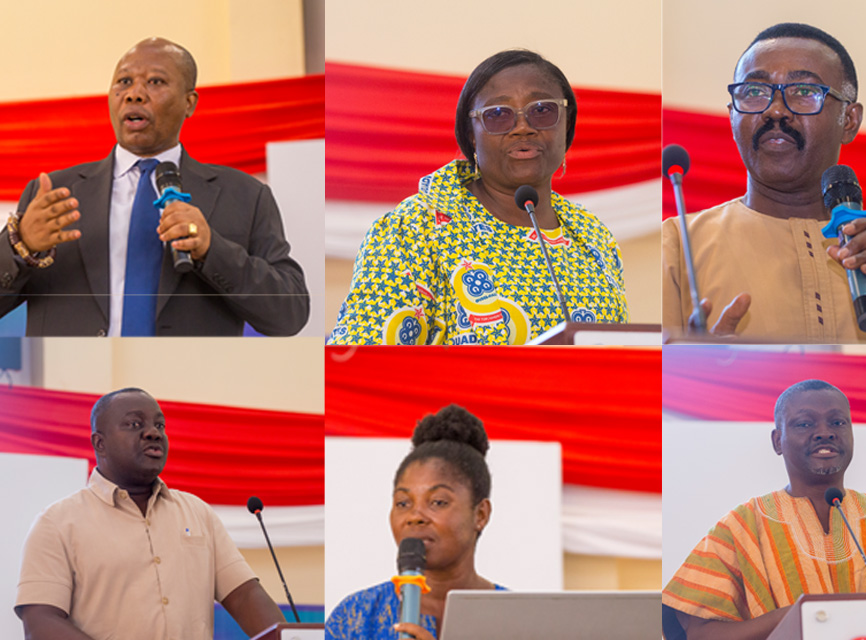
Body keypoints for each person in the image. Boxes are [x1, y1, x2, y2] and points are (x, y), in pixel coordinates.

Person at [0, 37, 308, 336]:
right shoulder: (53, 194)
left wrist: (212, 249)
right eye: (123, 82)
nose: (134, 94)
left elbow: (289, 315)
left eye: (156, 82)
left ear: (189, 103)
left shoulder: (245, 196)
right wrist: (21, 245)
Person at [328, 49, 628, 345]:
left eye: (541, 110)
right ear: (471, 134)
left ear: (566, 124)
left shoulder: (593, 235)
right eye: (498, 115)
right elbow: (362, 358)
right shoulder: (415, 227)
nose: (523, 127)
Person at [662, 23, 866, 343]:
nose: (775, 110)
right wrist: (695, 373)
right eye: (754, 92)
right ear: (731, 117)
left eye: (804, 92)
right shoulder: (676, 246)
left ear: (849, 121)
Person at [662, 380, 866, 640]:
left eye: (838, 423)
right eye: (805, 424)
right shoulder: (741, 526)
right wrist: (796, 617)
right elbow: (700, 634)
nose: (825, 433)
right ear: (778, 441)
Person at [15, 387, 286, 639]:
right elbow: (40, 621)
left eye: (159, 425)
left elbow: (244, 595)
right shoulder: (57, 523)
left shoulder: (197, 512)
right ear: (100, 443)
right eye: (135, 424)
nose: (153, 433)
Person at [325, 405, 504, 639]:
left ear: (480, 515)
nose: (415, 516)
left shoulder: (517, 617)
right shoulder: (354, 618)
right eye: (403, 503)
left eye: (438, 502)